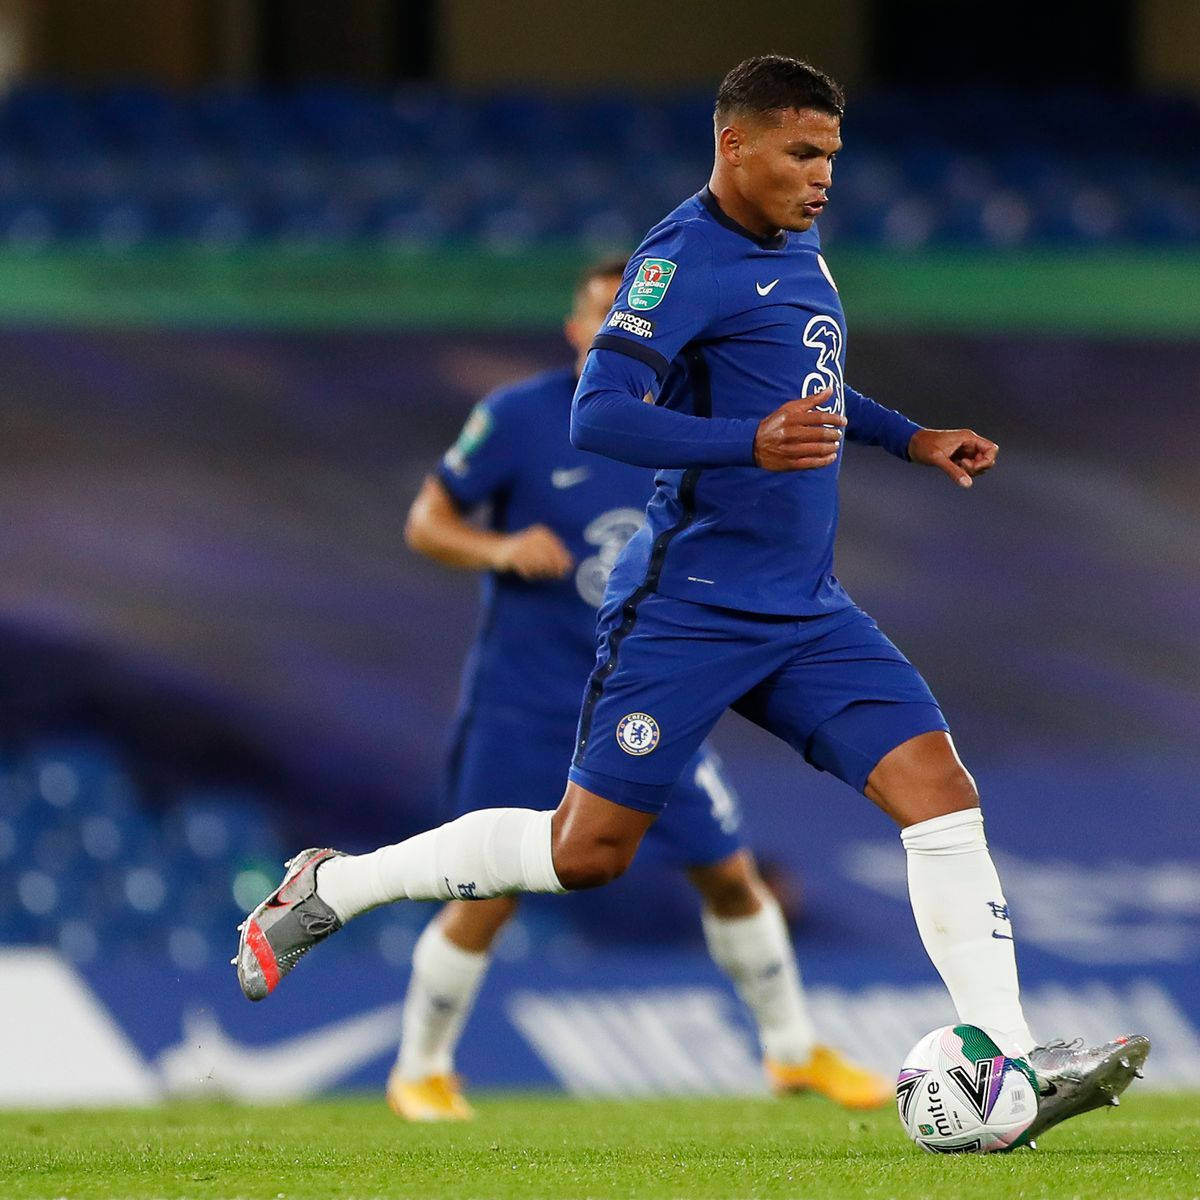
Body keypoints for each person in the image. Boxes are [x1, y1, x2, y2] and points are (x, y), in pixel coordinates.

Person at [236, 56, 1147, 1143]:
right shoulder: (681, 259)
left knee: (939, 792)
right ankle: (333, 888)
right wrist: (743, 443)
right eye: (802, 153)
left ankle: (1005, 1061)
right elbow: (601, 413)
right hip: (690, 608)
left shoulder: (792, 246)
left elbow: (806, 380)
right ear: (736, 146)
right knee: (585, 854)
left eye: (831, 157)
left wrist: (909, 437)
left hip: (805, 609)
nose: (822, 178)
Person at [387, 258, 888, 1119]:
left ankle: (792, 1053)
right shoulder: (516, 417)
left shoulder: (703, 414)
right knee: (489, 893)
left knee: (729, 873)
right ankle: (419, 1069)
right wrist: (498, 550)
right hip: (526, 704)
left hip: (646, 700)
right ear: (579, 332)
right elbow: (426, 520)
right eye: (604, 321)